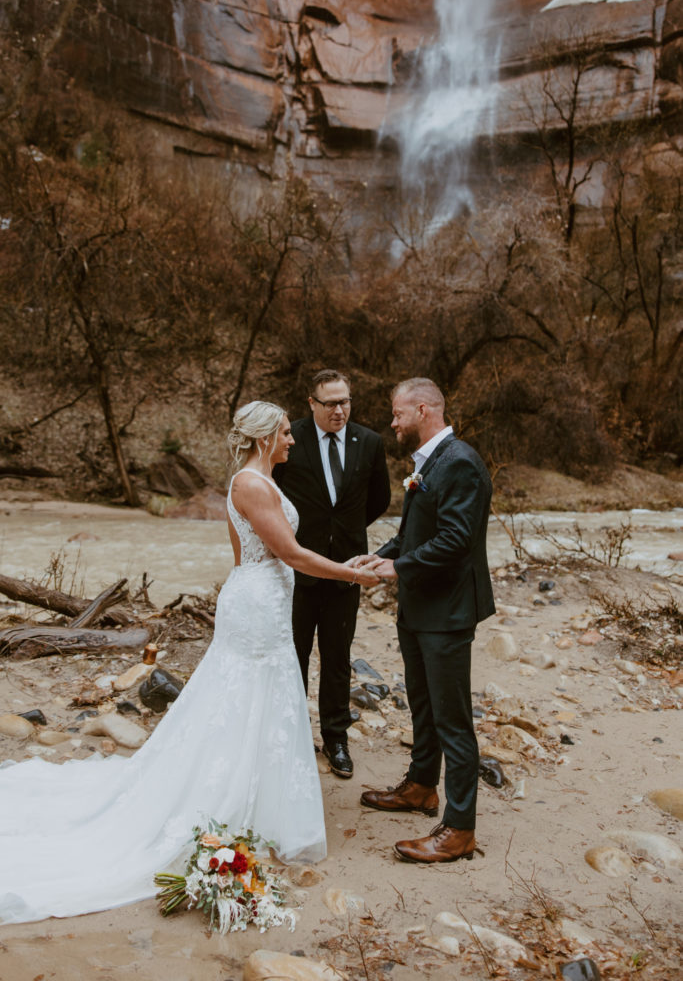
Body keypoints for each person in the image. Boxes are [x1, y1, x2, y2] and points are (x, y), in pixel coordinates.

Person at [0, 401, 378, 925]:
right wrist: (350, 575)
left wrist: (340, 566)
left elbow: (259, 555)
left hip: (262, 598)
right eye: (287, 434)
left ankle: (260, 804)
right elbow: (288, 553)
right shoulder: (249, 484)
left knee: (259, 698)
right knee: (245, 694)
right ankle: (229, 803)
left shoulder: (258, 481)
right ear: (265, 437)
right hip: (257, 605)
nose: (294, 440)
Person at [355, 378, 495, 864]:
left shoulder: (460, 463)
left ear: (422, 409)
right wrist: (377, 557)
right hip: (418, 609)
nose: (392, 422)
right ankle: (420, 787)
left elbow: (456, 541)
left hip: (447, 613)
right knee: (422, 705)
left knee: (453, 720)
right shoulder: (431, 461)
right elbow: (417, 534)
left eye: (397, 414)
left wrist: (398, 567)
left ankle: (459, 829)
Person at [273, 371, 390, 779]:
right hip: (298, 567)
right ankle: (292, 735)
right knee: (295, 656)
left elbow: (380, 498)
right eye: (330, 403)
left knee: (338, 657)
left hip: (347, 569)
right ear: (312, 403)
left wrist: (346, 532)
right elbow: (275, 495)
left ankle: (335, 739)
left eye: (345, 402)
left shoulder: (370, 442)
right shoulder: (290, 439)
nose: (339, 410)